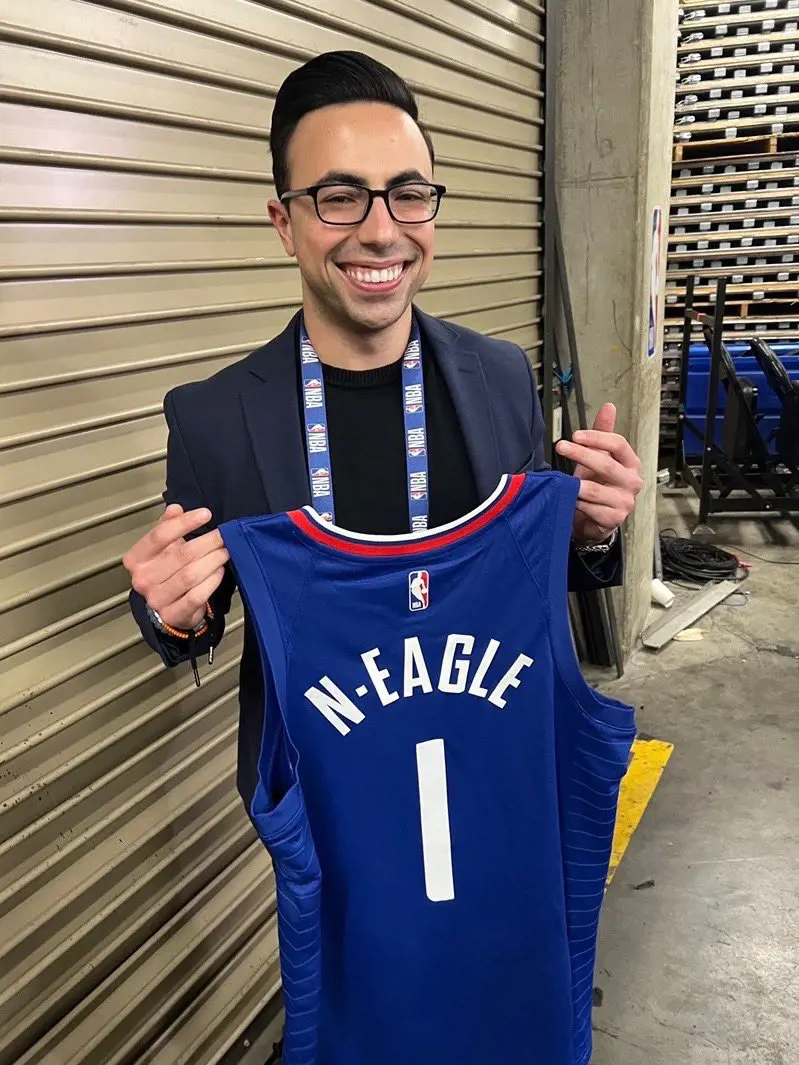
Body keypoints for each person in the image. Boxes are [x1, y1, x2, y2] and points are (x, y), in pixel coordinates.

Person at [124, 50, 643, 822]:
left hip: (497, 770)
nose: (380, 231)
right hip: (332, 809)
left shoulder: (501, 377)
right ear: (284, 222)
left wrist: (591, 532)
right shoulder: (213, 417)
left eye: (408, 195)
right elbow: (194, 621)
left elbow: (534, 575)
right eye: (339, 197)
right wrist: (170, 609)